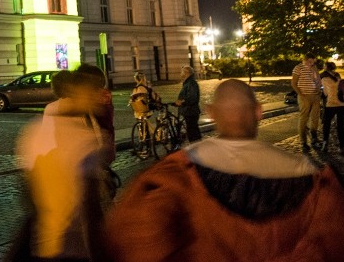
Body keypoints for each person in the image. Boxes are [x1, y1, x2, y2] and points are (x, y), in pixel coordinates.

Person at [104, 79, 344, 262]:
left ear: (211, 113)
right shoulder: (317, 182)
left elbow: (133, 243)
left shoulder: (171, 178)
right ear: (258, 112)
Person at [10, 70, 108, 261]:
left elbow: (30, 190)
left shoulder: (35, 129)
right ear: (79, 92)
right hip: (64, 243)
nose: (101, 95)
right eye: (94, 90)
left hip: (49, 241)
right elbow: (91, 211)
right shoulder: (81, 140)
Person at [291, 53, 322, 152]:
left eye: (313, 62)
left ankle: (314, 137)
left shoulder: (314, 68)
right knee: (303, 118)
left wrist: (319, 90)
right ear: (306, 59)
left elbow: (318, 80)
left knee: (315, 118)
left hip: (315, 96)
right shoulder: (298, 68)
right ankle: (303, 142)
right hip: (304, 96)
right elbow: (293, 83)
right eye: (310, 61)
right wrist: (301, 95)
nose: (312, 63)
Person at [319, 61, 343, 154]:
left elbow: (325, 93)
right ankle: (342, 146)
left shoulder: (324, 78)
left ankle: (325, 143)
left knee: (326, 124)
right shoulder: (338, 76)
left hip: (331, 104)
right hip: (341, 104)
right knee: (340, 125)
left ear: (326, 67)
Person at [174, 66, 201, 142]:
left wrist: (182, 102)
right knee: (192, 130)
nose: (181, 73)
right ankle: (196, 147)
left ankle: (196, 148)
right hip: (189, 111)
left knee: (193, 132)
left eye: (182, 72)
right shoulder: (188, 83)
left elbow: (192, 98)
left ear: (186, 73)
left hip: (191, 111)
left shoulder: (191, 83)